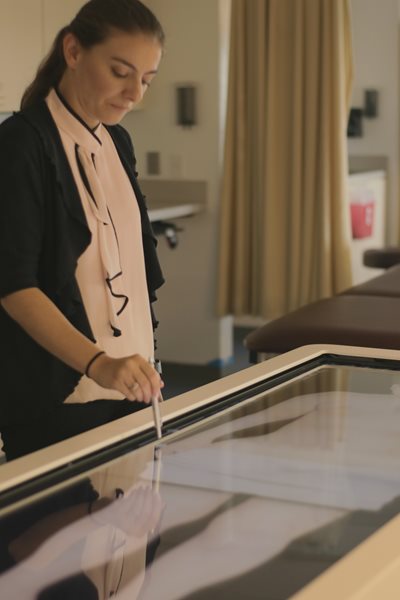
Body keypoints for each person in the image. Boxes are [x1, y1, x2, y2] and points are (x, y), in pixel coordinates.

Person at [0, 0, 166, 461]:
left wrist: (135, 364)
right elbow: (16, 287)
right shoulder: (20, 146)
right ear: (73, 51)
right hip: (59, 399)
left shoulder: (117, 140)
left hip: (132, 388)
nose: (134, 93)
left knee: (138, 530)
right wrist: (99, 363)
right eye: (120, 71)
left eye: (147, 80)